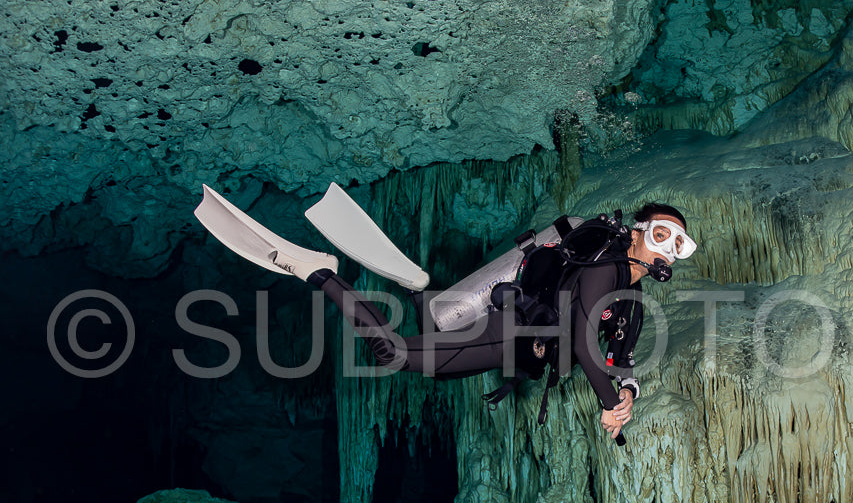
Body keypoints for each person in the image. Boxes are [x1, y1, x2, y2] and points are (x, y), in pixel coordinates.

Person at [198, 188, 694, 441]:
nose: (667, 250)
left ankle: (416, 290)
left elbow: (619, 357)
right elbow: (586, 344)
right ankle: (320, 273)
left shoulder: (631, 302)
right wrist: (607, 401)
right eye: (660, 235)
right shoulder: (603, 266)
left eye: (678, 244)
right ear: (636, 231)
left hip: (515, 342)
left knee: (438, 342)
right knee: (392, 354)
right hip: (509, 332)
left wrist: (625, 393)